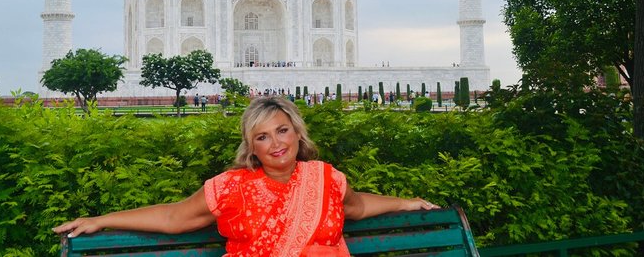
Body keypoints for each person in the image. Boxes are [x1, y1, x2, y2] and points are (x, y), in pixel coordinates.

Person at [53, 97, 439, 256]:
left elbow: (356, 207)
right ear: (251, 146)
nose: (276, 143)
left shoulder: (326, 178)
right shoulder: (231, 187)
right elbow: (173, 217)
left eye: (282, 131)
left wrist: (406, 203)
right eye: (262, 136)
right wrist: (102, 220)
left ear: (298, 133)